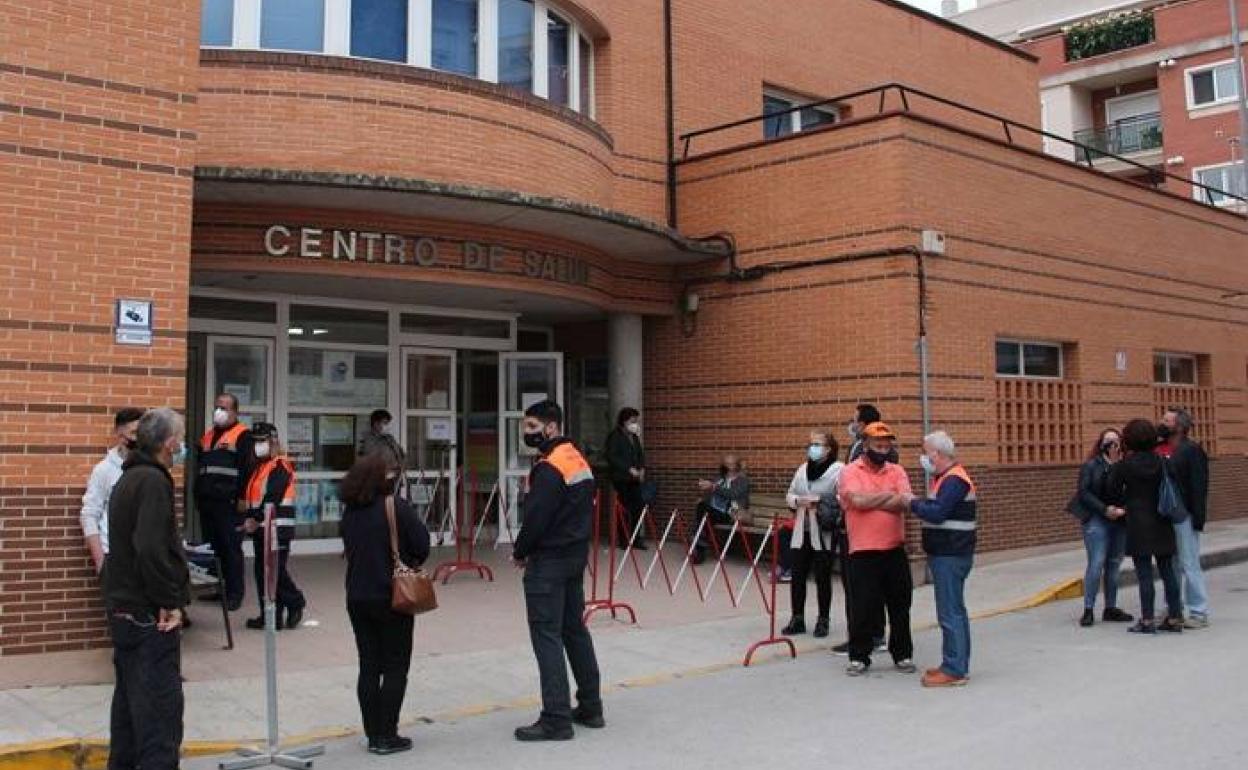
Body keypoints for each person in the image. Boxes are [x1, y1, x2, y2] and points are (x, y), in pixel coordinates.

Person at [103, 407, 191, 770]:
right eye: (181, 438)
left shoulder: (130, 478)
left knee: (128, 715)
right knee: (158, 718)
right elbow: (151, 548)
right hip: (146, 616)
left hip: (125, 610)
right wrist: (169, 601)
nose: (182, 445)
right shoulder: (152, 482)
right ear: (169, 443)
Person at [512, 400, 603, 742]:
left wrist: (521, 551)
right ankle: (591, 707)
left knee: (547, 636)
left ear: (551, 427)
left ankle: (556, 718)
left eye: (532, 427)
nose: (526, 433)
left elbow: (537, 517)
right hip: (574, 558)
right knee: (574, 631)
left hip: (548, 563)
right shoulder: (576, 459)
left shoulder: (550, 467)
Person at [339, 453, 431, 755]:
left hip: (357, 596)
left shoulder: (350, 513)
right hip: (391, 597)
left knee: (368, 665)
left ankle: (371, 733)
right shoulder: (395, 508)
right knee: (394, 666)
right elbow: (421, 545)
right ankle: (387, 736)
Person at [837, 422, 914, 676]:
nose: (883, 450)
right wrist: (886, 496)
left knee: (900, 605)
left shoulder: (898, 471)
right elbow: (855, 501)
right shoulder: (850, 471)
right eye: (878, 445)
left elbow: (904, 502)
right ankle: (859, 656)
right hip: (862, 550)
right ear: (866, 446)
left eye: (887, 445)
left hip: (894, 549)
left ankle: (902, 654)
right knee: (862, 605)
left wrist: (870, 500)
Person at [903, 431, 976, 688]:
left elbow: (938, 513)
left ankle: (954, 669)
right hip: (951, 553)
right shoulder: (946, 478)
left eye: (926, 452)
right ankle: (954, 663)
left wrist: (911, 502)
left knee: (950, 613)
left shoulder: (954, 480)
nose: (923, 457)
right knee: (955, 610)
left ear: (939, 454)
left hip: (951, 554)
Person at [1108, 419, 1183, 634]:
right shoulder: (1163, 461)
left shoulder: (1125, 465)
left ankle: (1148, 620)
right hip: (1162, 519)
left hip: (1138, 522)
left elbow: (1112, 491)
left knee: (1144, 574)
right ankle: (1175, 617)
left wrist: (1116, 468)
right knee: (1168, 570)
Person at [833, 403, 888, 655]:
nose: (851, 423)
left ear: (864, 424)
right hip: (859, 521)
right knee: (866, 584)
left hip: (861, 526)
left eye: (854, 419)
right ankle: (872, 633)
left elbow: (859, 490)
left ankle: (863, 635)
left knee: (859, 584)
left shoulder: (872, 453)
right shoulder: (858, 447)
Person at [241, 423, 306, 631]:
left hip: (278, 528)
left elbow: (273, 497)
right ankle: (271, 616)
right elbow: (255, 499)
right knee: (263, 573)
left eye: (262, 441)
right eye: (256, 441)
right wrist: (250, 518)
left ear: (273, 441)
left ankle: (295, 602)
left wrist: (255, 518)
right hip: (263, 528)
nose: (258, 445)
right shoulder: (261, 467)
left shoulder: (280, 465)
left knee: (275, 572)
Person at [780, 431, 842, 639]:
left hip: (823, 531)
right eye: (810, 444)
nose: (812, 448)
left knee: (822, 577)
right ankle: (797, 618)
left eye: (817, 444)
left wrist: (821, 502)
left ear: (828, 449)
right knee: (798, 575)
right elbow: (790, 494)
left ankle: (823, 619)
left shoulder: (838, 470)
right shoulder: (803, 468)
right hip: (802, 528)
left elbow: (842, 497)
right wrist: (798, 501)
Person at [195, 393, 254, 611]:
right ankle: (219, 589)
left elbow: (248, 470)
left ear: (235, 412)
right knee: (213, 548)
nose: (219, 411)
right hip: (209, 501)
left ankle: (235, 593)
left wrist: (242, 498)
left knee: (230, 548)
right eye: (217, 407)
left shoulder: (243, 436)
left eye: (225, 408)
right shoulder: (208, 436)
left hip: (229, 502)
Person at [1070, 428, 1133, 627]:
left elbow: (1133, 491)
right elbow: (1084, 492)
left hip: (1119, 519)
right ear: (1101, 444)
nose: (1112, 445)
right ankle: (1088, 608)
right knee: (1096, 562)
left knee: (1114, 564)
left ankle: (1110, 607)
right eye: (1108, 441)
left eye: (1116, 441)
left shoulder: (1125, 466)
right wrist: (1104, 509)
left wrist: (1123, 510)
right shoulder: (1091, 466)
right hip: (1097, 518)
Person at [1158, 407, 1210, 629]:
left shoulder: (1191, 450)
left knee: (1189, 563)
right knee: (1174, 563)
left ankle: (1198, 611)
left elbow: (1199, 486)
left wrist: (1198, 518)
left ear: (1178, 426)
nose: (1161, 423)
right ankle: (1174, 606)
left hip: (1186, 516)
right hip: (1172, 515)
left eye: (1166, 420)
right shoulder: (1171, 449)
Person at [80, 407, 144, 575]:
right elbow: (89, 514)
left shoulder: (150, 470)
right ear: (119, 433)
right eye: (133, 433)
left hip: (145, 558)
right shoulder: (104, 470)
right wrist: (101, 561)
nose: (138, 439)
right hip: (115, 557)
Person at [691, 454, 751, 564]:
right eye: (726, 463)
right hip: (714, 512)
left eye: (731, 463)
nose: (729, 466)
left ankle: (699, 547)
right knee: (703, 510)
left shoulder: (742, 481)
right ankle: (700, 548)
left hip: (731, 513)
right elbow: (711, 495)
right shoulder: (719, 479)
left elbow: (732, 494)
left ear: (737, 465)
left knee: (704, 517)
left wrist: (713, 487)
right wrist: (704, 497)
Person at [604, 406, 647, 550]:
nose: (635, 424)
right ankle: (624, 539)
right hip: (621, 479)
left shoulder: (634, 437)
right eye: (632, 421)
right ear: (624, 421)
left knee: (638, 507)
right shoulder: (615, 436)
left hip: (635, 479)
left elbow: (640, 454)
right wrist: (629, 469)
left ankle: (636, 538)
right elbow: (612, 457)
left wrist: (641, 469)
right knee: (624, 508)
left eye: (636, 421)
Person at [358, 409, 408, 496]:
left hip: (394, 480)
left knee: (393, 506)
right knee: (381, 506)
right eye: (385, 423)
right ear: (376, 424)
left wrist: (401, 464)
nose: (387, 426)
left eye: (388, 423)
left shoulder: (389, 438)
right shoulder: (369, 441)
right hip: (378, 482)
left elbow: (400, 454)